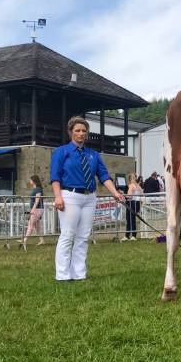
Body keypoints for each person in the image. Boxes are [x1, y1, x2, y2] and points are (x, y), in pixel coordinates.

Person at [50, 116, 125, 281]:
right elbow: (55, 177)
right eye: (77, 130)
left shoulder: (94, 154)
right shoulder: (61, 152)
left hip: (89, 198)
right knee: (68, 235)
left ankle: (79, 274)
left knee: (83, 236)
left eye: (84, 131)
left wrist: (115, 193)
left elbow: (104, 176)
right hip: (69, 196)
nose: (81, 133)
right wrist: (57, 197)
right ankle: (62, 275)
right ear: (71, 132)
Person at [19, 175, 45, 246]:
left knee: (30, 224)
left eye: (30, 180)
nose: (30, 181)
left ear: (33, 181)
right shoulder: (36, 189)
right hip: (36, 209)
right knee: (37, 226)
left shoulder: (38, 189)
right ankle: (42, 240)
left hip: (37, 209)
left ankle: (25, 240)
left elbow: (37, 200)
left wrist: (33, 209)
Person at [122, 172, 143, 241]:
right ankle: (132, 235)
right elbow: (142, 194)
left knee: (129, 219)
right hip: (137, 203)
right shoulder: (138, 186)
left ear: (130, 179)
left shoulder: (131, 185)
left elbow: (129, 196)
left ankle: (128, 235)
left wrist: (123, 195)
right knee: (133, 219)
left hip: (131, 203)